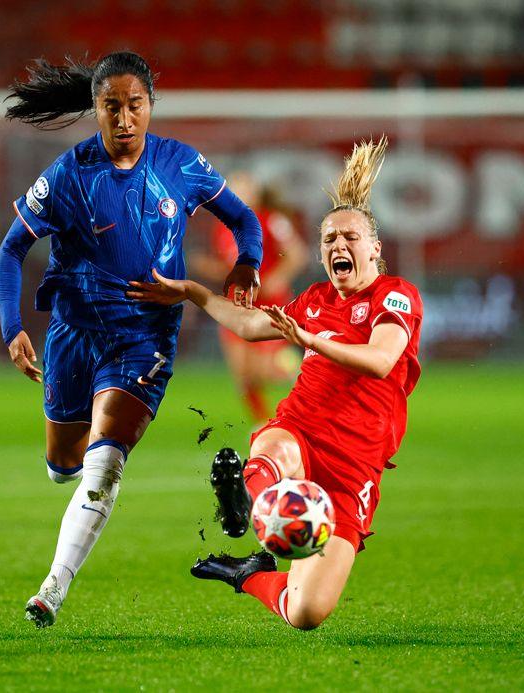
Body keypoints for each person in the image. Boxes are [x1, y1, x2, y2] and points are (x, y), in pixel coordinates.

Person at [0, 52, 263, 628]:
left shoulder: (182, 164)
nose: (123, 119)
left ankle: (51, 590)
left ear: (150, 107)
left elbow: (244, 220)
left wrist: (248, 263)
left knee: (105, 464)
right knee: (64, 464)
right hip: (74, 333)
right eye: (111, 106)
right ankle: (69, 466)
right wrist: (12, 327)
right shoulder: (70, 173)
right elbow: (11, 249)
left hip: (145, 337)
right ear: (95, 109)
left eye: (134, 105)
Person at [128, 137, 423, 630]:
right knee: (276, 446)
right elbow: (247, 324)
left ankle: (248, 573)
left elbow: (380, 360)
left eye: (350, 237)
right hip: (303, 430)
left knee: (305, 612)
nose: (338, 246)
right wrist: (190, 292)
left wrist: (312, 339)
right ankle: (242, 501)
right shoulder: (314, 299)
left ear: (375, 248)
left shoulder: (395, 296)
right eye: (329, 239)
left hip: (355, 468)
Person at [192, 172, 308, 421]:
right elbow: (229, 267)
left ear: (255, 193)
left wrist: (278, 276)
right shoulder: (223, 227)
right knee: (242, 377)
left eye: (243, 189)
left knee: (262, 370)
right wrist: (206, 267)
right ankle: (262, 424)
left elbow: (297, 254)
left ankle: (297, 370)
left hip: (268, 303)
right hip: (237, 304)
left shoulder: (272, 219)